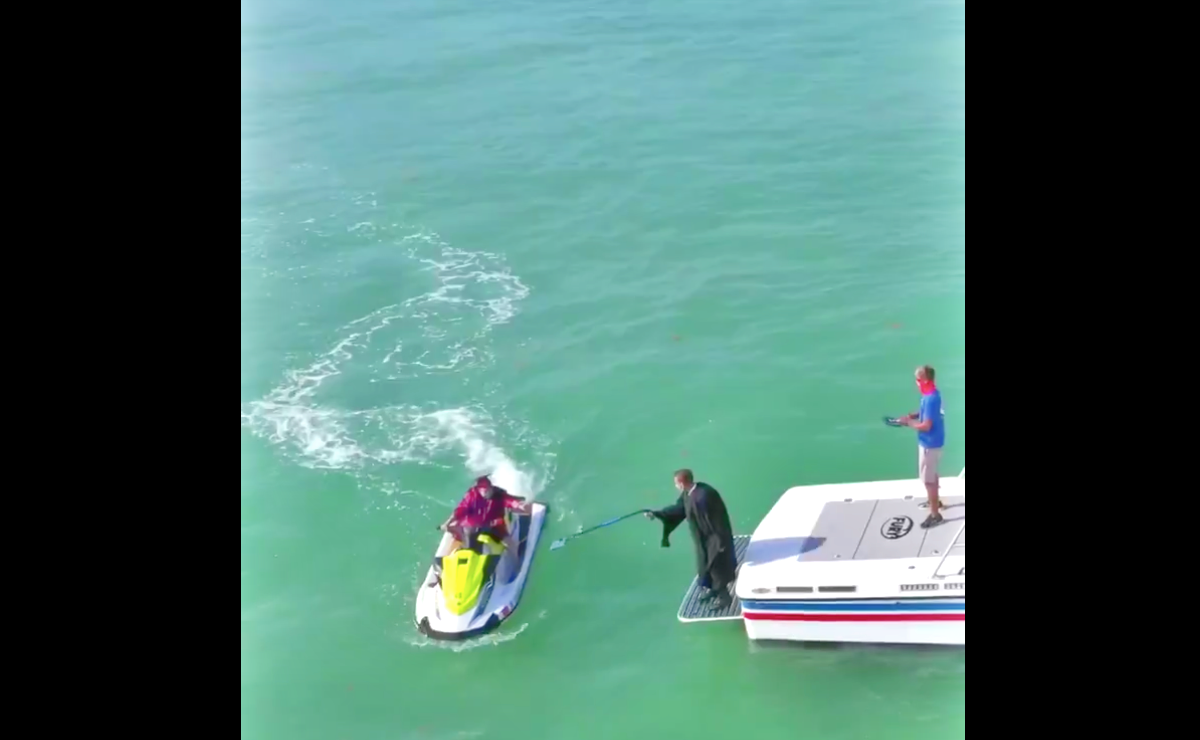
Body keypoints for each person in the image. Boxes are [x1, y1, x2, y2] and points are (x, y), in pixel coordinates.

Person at [645, 469, 738, 608]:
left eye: (676, 484)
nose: (675, 487)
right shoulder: (688, 494)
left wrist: (721, 542)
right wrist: (657, 514)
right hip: (702, 538)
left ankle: (724, 598)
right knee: (704, 565)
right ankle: (713, 590)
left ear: (681, 483)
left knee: (715, 566)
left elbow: (718, 520)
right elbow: (678, 509)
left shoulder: (705, 496)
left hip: (715, 538)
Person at [896, 365, 946, 529]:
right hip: (935, 442)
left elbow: (926, 425)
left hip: (929, 445)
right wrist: (914, 415)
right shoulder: (932, 394)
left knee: (928, 481)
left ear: (924, 380)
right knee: (932, 475)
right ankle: (935, 502)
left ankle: (935, 515)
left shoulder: (930, 397)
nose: (916, 383)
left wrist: (908, 422)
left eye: (918, 380)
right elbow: (929, 413)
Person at [439, 475, 532, 547]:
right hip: (472, 527)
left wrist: (519, 505)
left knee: (510, 544)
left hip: (493, 526)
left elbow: (509, 501)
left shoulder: (498, 494)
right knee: (451, 528)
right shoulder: (471, 495)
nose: (486, 492)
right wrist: (447, 523)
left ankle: (516, 563)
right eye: (483, 490)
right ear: (478, 490)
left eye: (488, 489)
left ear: (491, 487)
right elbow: (460, 510)